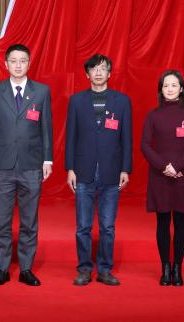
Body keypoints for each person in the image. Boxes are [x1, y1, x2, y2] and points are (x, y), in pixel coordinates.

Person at [0, 43, 53, 286]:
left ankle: (26, 269)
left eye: (23, 61)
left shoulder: (41, 92)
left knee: (29, 221)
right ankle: (2, 268)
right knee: (2, 220)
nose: (18, 65)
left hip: (31, 165)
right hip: (1, 164)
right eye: (13, 61)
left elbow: (46, 128)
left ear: (29, 63)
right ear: (6, 64)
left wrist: (47, 159)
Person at [65, 54, 132, 286]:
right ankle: (84, 269)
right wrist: (70, 168)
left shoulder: (122, 101)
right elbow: (70, 137)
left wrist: (125, 169)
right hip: (83, 171)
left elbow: (127, 138)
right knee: (83, 226)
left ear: (109, 73)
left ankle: (104, 270)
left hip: (111, 171)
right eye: (94, 69)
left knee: (107, 227)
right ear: (87, 74)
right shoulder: (76, 101)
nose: (99, 72)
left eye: (103, 68)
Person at [140, 70, 184, 287]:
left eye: (174, 85)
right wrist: (163, 166)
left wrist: (176, 166)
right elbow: (145, 145)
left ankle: (178, 268)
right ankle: (165, 267)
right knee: (163, 222)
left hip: (183, 174)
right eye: (166, 85)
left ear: (181, 89)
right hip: (160, 175)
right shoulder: (153, 115)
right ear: (161, 89)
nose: (170, 89)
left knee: (181, 222)